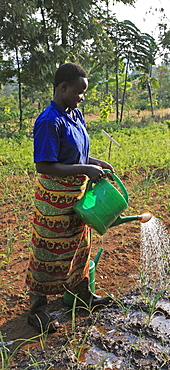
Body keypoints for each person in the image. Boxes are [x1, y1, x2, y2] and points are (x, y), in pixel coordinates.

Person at [26, 62, 114, 333]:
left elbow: (77, 155)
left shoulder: (74, 115)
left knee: (79, 247)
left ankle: (82, 296)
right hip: (54, 202)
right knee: (48, 253)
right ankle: (37, 309)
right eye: (79, 92)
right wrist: (86, 169)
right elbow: (44, 164)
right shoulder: (48, 121)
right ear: (63, 88)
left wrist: (98, 164)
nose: (82, 97)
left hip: (77, 197)